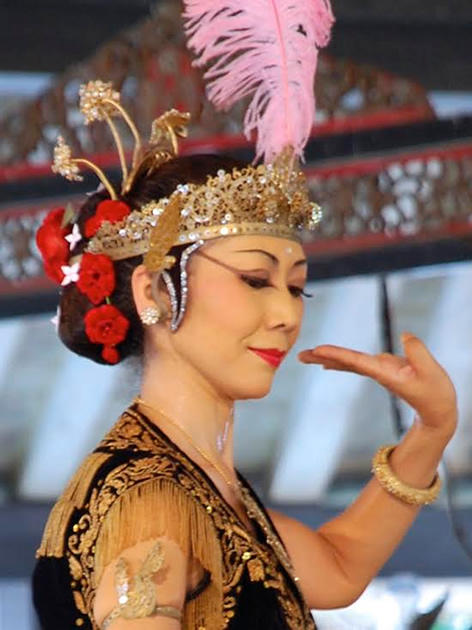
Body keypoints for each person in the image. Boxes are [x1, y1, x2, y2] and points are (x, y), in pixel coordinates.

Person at [31, 83, 457, 630]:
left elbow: (338, 565)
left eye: (296, 288)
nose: (286, 313)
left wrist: (431, 429)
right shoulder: (150, 499)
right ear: (155, 293)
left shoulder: (197, 478)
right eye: (256, 280)